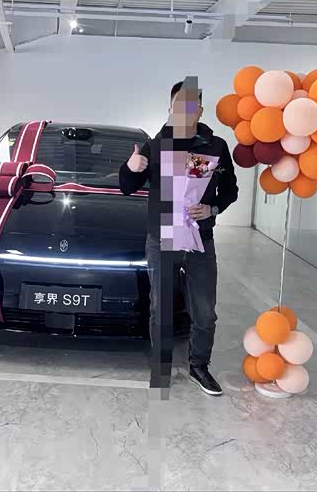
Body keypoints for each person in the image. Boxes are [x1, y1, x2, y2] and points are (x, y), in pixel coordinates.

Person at [119, 78, 238, 396]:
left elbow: (230, 191)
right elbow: (127, 186)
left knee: (205, 311)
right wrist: (130, 167)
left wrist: (211, 209)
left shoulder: (216, 147)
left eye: (190, 106)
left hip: (201, 239)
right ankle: (161, 367)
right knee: (161, 308)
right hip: (163, 239)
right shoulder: (155, 146)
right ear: (169, 109)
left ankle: (199, 366)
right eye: (177, 106)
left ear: (199, 110)